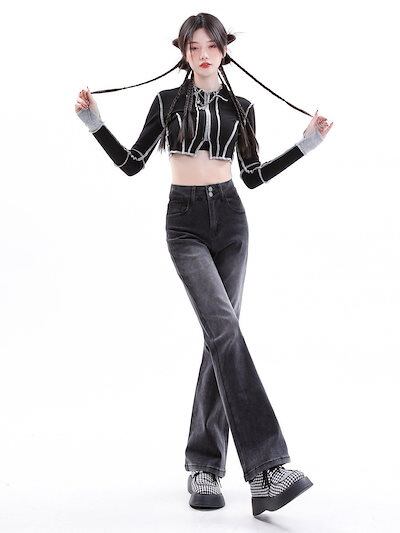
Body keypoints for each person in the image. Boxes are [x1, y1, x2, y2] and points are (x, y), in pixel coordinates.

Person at [75, 12, 333, 517]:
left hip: (232, 222)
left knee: (220, 337)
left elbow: (253, 176)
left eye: (210, 45)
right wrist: (96, 125)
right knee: (224, 330)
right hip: (185, 223)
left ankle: (205, 468)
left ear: (223, 49)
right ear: (184, 53)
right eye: (193, 47)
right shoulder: (166, 102)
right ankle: (268, 469)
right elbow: (132, 164)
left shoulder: (242, 108)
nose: (202, 54)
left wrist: (306, 145)